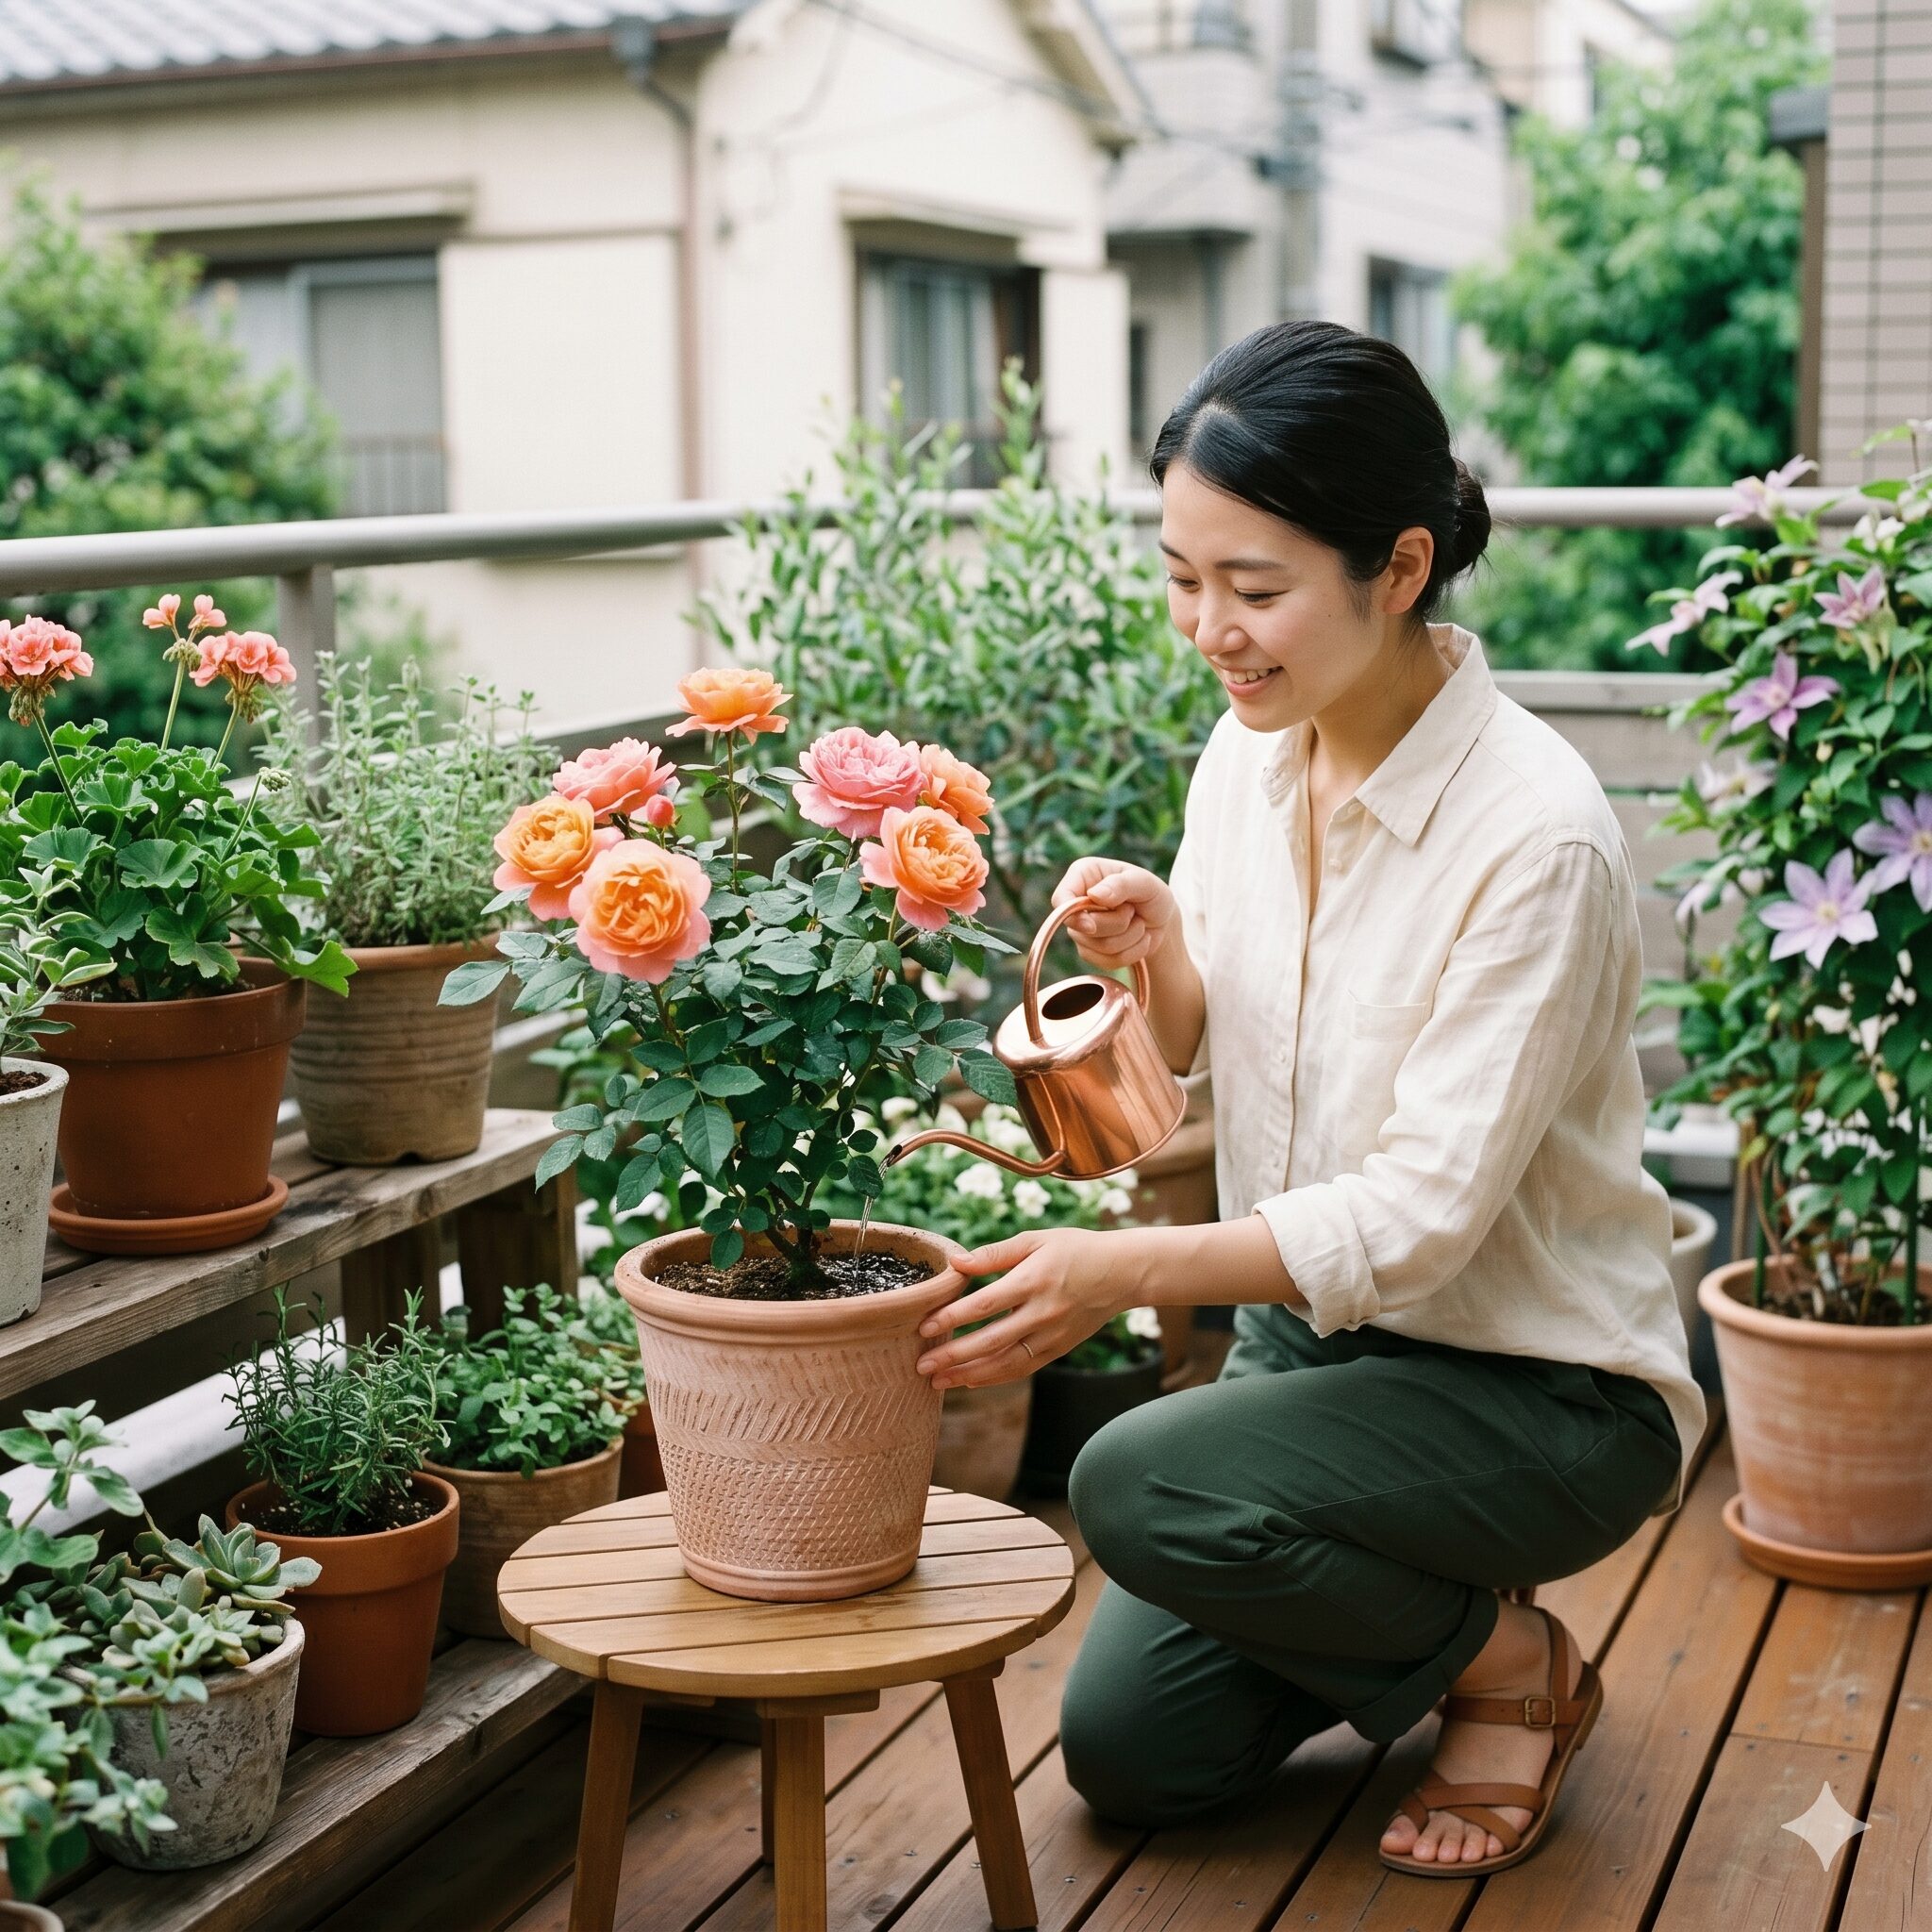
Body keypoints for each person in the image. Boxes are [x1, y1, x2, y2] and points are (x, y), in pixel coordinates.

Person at [911, 318, 1705, 1875]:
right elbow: (1214, 1048)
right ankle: (1424, 1607)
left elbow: (1414, 1223)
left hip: (1537, 1385)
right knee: (1138, 1756)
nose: (1213, 627)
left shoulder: (1535, 838)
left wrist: (1120, 1271)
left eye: (1257, 587)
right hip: (1316, 1346)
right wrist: (1167, 956)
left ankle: (1506, 1671)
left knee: (1133, 1478)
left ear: (1399, 567)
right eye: (1184, 576)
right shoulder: (1249, 750)